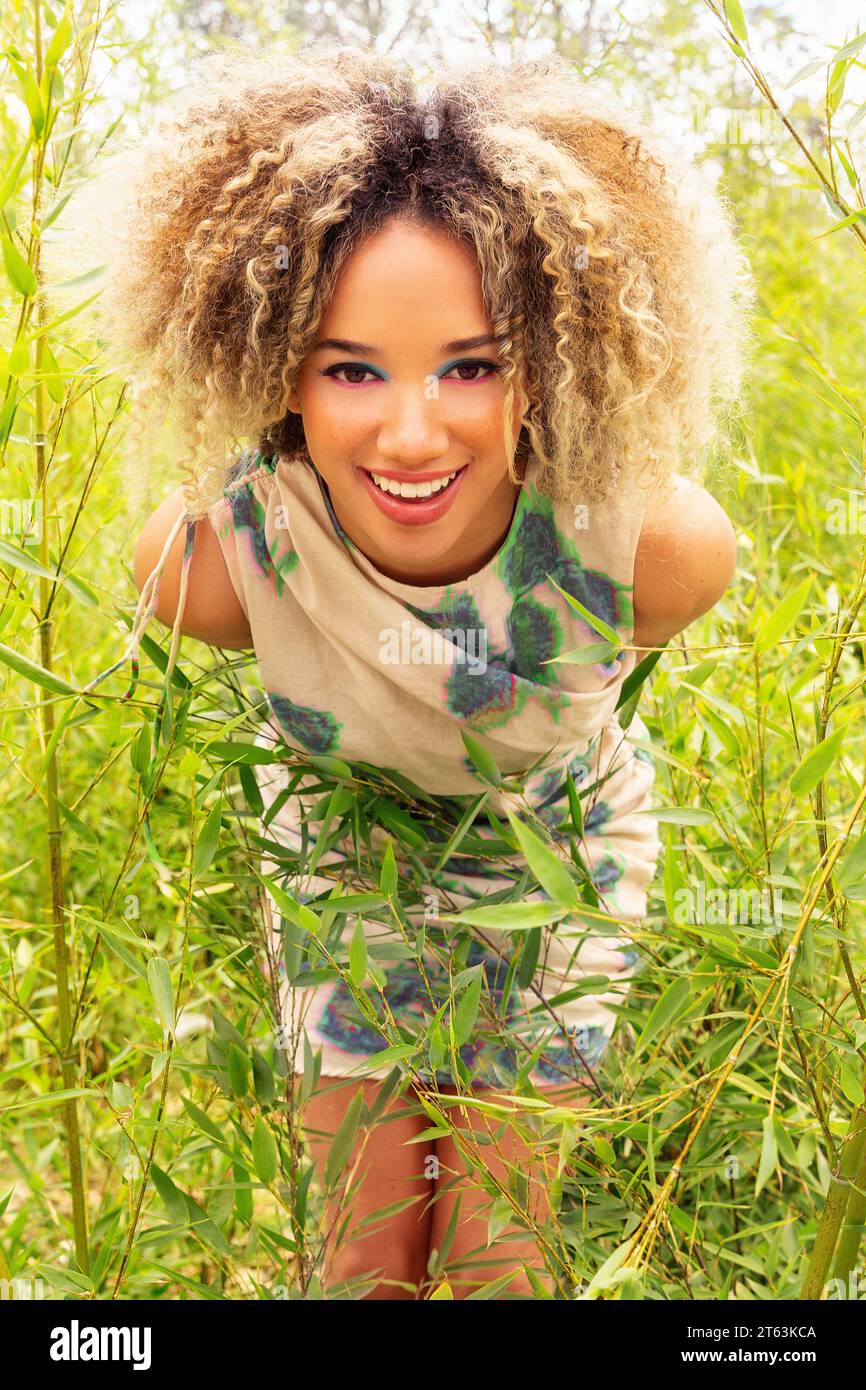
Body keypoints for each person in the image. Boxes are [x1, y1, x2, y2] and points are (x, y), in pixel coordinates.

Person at [98, 42, 753, 1298]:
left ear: (552, 356)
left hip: (552, 864)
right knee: (367, 1258)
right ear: (274, 366)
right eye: (351, 368)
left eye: (474, 364)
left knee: (496, 1252)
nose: (410, 431)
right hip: (340, 867)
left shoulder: (646, 547)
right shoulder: (219, 563)